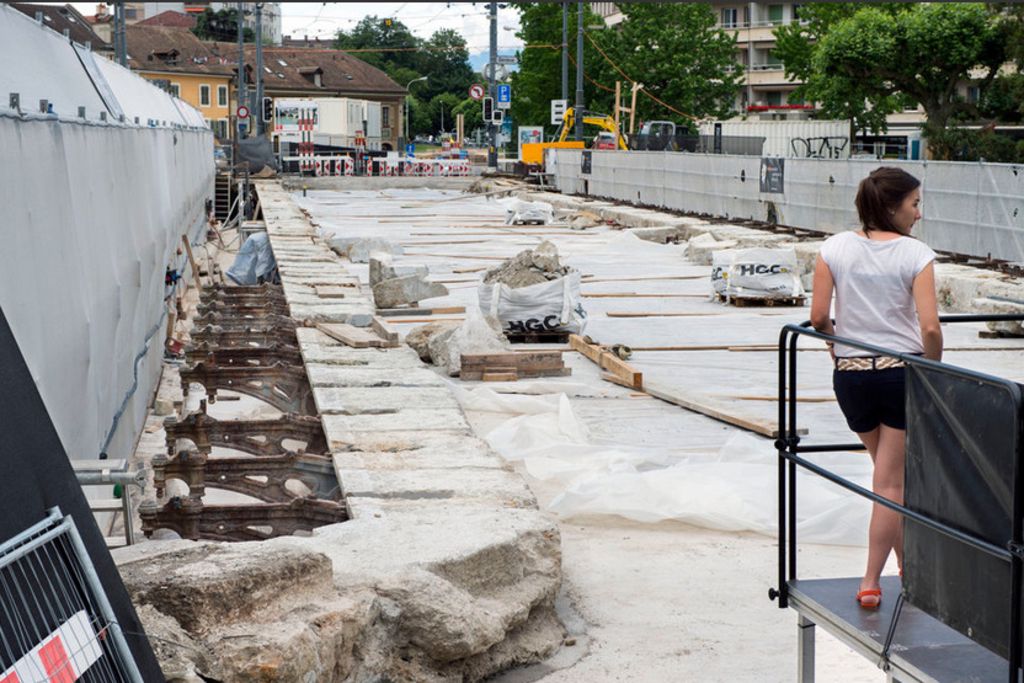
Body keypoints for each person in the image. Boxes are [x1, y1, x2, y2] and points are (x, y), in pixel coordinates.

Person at [810, 166, 943, 610]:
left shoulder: (834, 247)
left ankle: (908, 565)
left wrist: (835, 347)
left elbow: (817, 318)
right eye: (914, 204)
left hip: (850, 376)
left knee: (888, 479)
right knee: (890, 485)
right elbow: (930, 328)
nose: (918, 214)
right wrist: (934, 372)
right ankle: (871, 581)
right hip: (899, 375)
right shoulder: (915, 253)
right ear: (892, 207)